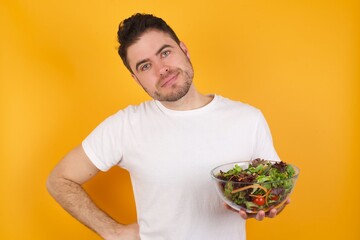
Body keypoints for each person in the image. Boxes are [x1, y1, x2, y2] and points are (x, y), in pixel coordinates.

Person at [47, 13, 288, 240]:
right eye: (144, 66)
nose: (161, 69)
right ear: (136, 78)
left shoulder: (248, 119)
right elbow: (59, 180)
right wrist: (112, 231)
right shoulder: (125, 126)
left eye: (165, 53)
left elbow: (273, 188)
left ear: (184, 49)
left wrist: (268, 203)